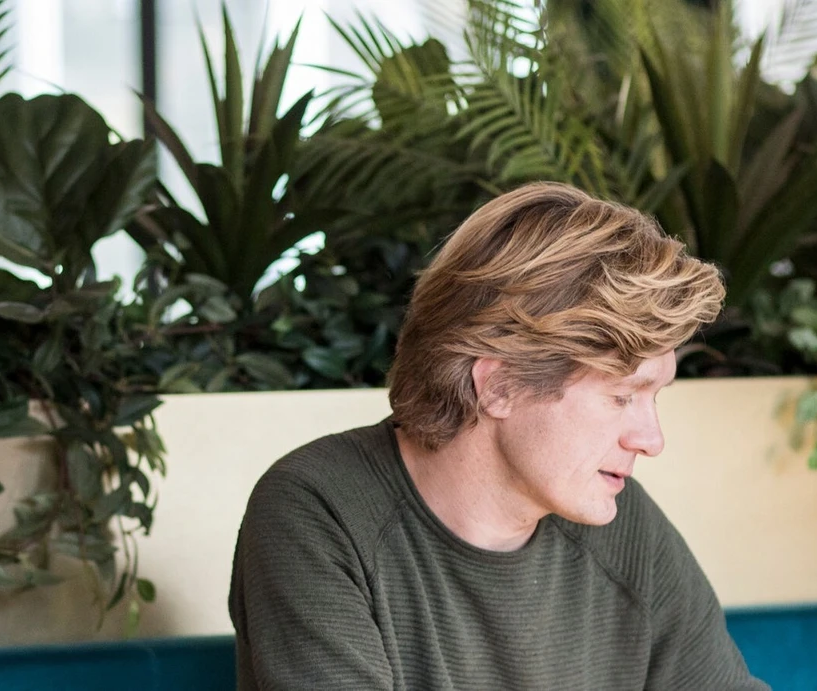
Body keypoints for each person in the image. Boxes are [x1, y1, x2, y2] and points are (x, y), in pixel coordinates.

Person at [228, 182, 766, 689]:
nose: (651, 440)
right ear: (500, 385)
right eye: (622, 397)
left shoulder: (624, 528)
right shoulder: (318, 510)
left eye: (655, 398)